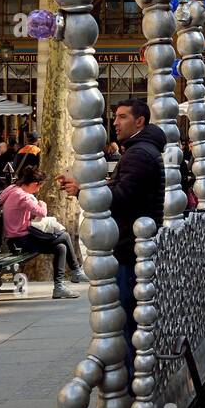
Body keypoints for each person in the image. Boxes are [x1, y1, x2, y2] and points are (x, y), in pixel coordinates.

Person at [59, 99, 165, 387]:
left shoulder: (138, 154)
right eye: (114, 117)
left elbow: (122, 199)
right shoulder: (141, 150)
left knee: (126, 324)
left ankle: (132, 387)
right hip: (134, 245)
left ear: (139, 121)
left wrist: (85, 191)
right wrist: (83, 189)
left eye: (122, 117)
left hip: (130, 248)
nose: (115, 122)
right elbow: (124, 190)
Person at [0, 167, 85, 298]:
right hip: (21, 239)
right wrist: (42, 203)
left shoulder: (13, 190)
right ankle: (76, 271)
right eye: (39, 187)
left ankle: (59, 287)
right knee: (64, 235)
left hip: (18, 237)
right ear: (34, 184)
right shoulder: (22, 196)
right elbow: (42, 212)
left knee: (61, 248)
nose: (38, 190)